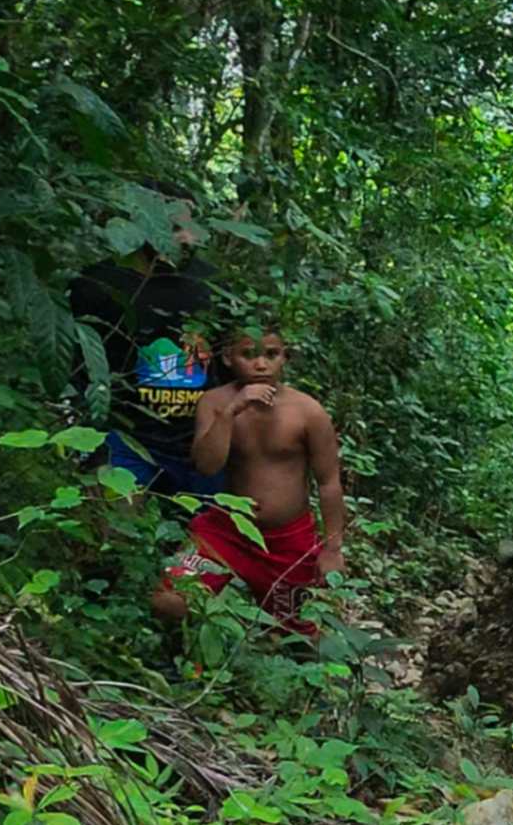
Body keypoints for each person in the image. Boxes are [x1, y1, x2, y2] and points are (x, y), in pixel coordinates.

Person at [150, 326, 347, 633]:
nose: (260, 365)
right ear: (228, 358)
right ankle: (187, 662)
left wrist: (332, 549)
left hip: (288, 541)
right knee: (168, 599)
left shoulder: (308, 412)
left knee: (298, 633)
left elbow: (329, 482)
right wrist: (231, 413)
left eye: (271, 354)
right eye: (248, 354)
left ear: (285, 358)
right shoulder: (214, 403)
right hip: (225, 532)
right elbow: (206, 466)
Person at [67, 182, 221, 498]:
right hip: (125, 437)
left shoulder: (208, 284)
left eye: (190, 226)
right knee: (119, 529)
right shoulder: (97, 284)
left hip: (196, 443)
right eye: (175, 227)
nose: (187, 237)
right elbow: (81, 367)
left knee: (205, 541)